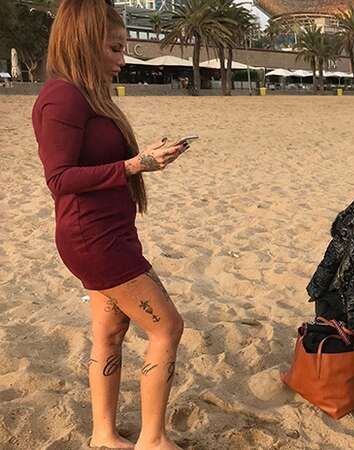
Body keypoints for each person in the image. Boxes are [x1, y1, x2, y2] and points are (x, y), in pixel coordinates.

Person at [31, 1, 188, 449]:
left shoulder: (87, 93)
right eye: (115, 48)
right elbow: (59, 179)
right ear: (84, 43)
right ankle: (153, 440)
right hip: (95, 238)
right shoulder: (63, 96)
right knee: (166, 328)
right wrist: (134, 165)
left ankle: (103, 435)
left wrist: (142, 160)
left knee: (110, 331)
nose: (122, 58)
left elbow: (96, 161)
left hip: (104, 231)